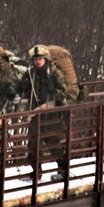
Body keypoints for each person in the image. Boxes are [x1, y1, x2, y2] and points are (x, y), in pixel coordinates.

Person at [16, 44, 70, 181]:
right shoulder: (30, 73)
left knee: (53, 142)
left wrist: (54, 91)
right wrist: (23, 86)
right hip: (36, 113)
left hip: (51, 112)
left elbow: (64, 93)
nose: (37, 61)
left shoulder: (54, 73)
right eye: (35, 59)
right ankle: (36, 172)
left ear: (45, 59)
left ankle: (63, 170)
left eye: (39, 59)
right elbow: (22, 90)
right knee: (33, 143)